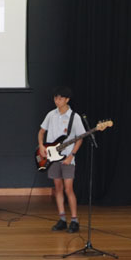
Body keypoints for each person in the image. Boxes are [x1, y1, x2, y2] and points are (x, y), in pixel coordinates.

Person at [37, 86, 85, 233]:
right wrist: (41, 146)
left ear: (67, 100)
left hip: (68, 159)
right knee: (57, 188)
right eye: (55, 98)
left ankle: (74, 220)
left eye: (60, 98)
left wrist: (71, 156)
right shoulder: (51, 115)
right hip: (52, 158)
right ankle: (62, 219)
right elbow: (41, 131)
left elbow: (80, 138)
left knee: (68, 189)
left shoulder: (74, 117)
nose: (57, 101)